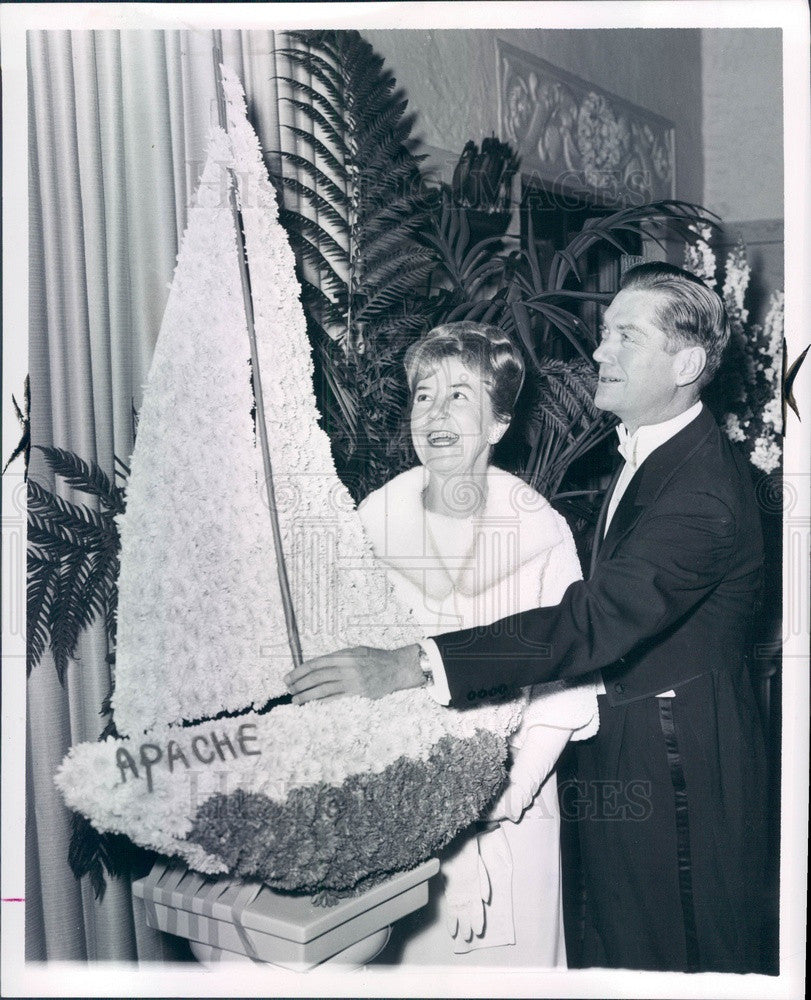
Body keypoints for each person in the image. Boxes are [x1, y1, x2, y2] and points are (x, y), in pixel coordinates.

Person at [286, 264, 769, 973]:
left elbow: (591, 621)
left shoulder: (702, 490)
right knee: (629, 948)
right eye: (604, 333)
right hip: (626, 752)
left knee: (683, 957)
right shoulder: (649, 456)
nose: (598, 351)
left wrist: (415, 663)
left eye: (623, 337)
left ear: (686, 363)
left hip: (675, 762)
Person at [356, 321, 599, 966]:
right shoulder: (369, 522)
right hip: (398, 810)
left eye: (460, 395)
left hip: (508, 812)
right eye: (423, 394)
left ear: (498, 423)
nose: (435, 412)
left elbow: (566, 687)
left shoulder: (538, 530)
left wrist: (497, 800)